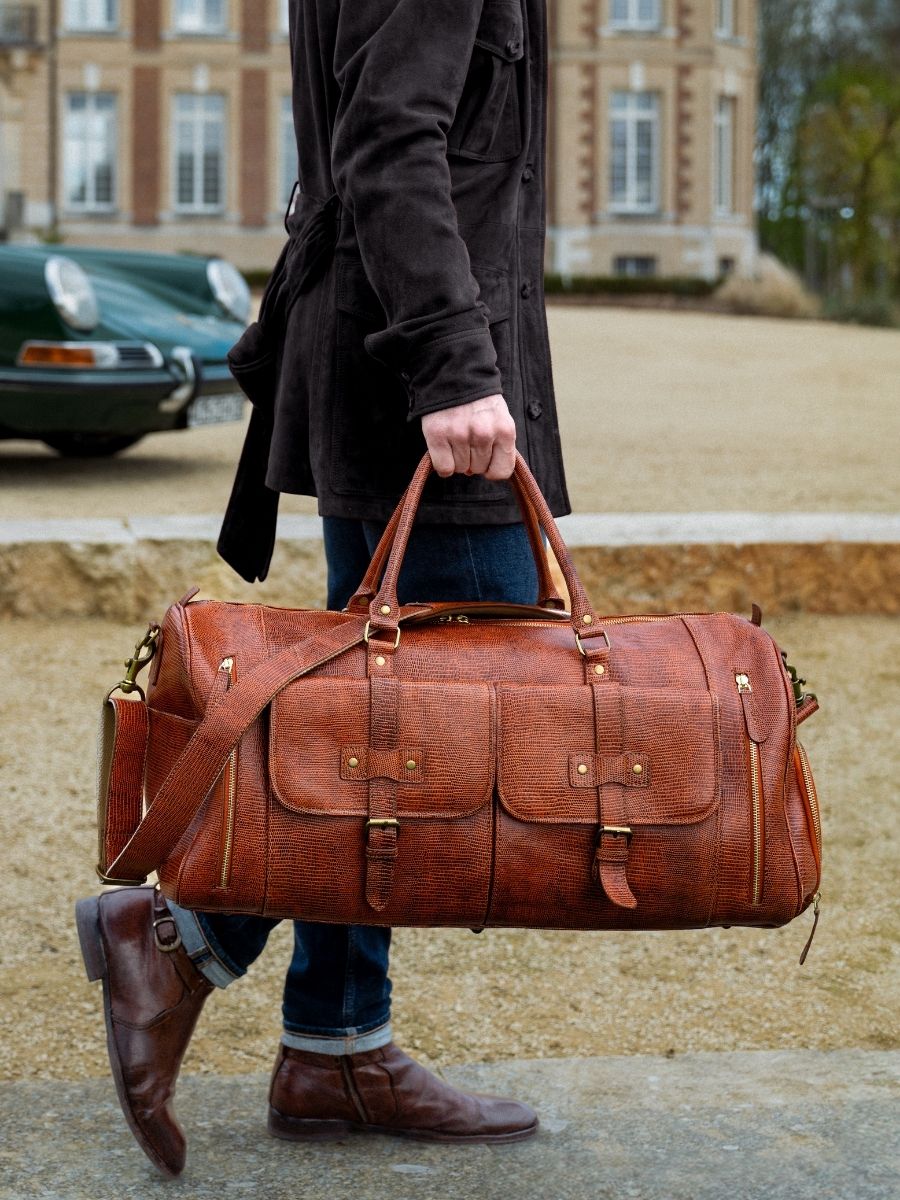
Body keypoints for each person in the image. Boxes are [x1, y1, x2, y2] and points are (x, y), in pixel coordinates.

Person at [76, 0, 570, 1177]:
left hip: (386, 368)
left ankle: (334, 1042)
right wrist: (455, 364)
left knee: (383, 722)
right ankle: (181, 938)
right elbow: (390, 138)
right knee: (450, 724)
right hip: (422, 391)